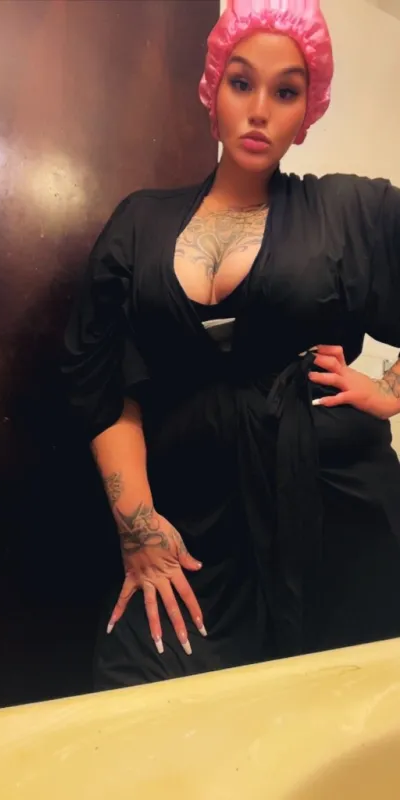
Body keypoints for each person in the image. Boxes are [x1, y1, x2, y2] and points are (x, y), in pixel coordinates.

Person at [62, 0, 400, 691]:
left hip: (335, 521)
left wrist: (389, 391)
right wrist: (138, 527)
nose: (260, 111)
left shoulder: (350, 212)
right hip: (188, 535)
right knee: (138, 706)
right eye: (242, 83)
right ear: (212, 87)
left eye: (286, 92)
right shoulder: (139, 222)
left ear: (308, 113)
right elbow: (100, 380)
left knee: (335, 730)